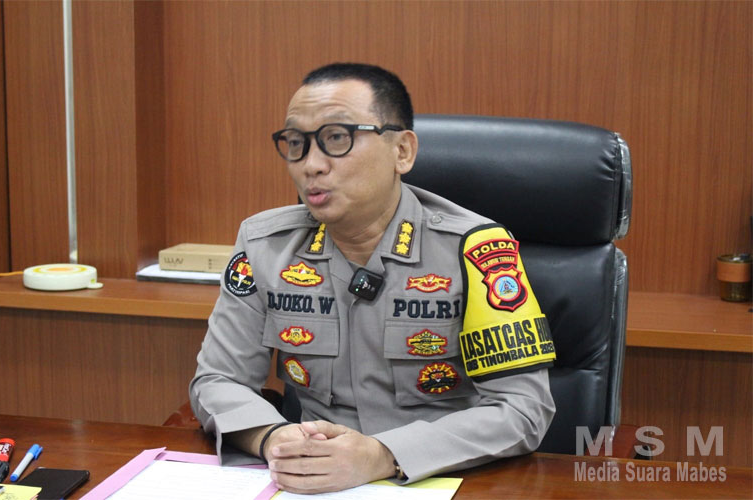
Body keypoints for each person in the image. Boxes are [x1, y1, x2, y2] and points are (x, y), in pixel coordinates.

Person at [190, 63, 556, 494]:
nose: (311, 165)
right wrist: (273, 439)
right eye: (296, 143)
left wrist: (383, 454)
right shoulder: (264, 246)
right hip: (313, 482)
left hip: (443, 480)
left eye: (337, 138)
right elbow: (218, 379)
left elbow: (523, 409)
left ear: (402, 151)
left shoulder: (475, 251)